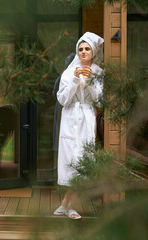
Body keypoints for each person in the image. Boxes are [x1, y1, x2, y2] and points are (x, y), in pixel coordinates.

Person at [53, 32, 104, 220]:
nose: (83, 52)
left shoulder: (98, 72)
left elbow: (100, 100)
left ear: (93, 51)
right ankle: (67, 205)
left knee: (82, 162)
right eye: (80, 49)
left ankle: (69, 206)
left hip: (86, 118)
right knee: (70, 162)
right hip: (69, 118)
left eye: (87, 49)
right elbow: (63, 99)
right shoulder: (68, 72)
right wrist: (75, 80)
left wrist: (90, 80)